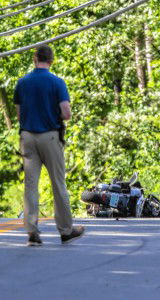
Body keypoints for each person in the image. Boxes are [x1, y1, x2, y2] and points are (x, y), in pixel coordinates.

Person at [14, 45, 84, 246]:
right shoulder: (57, 83)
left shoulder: (22, 83)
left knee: (30, 185)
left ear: (34, 59)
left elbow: (19, 115)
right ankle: (65, 230)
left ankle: (32, 231)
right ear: (51, 61)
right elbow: (66, 113)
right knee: (58, 183)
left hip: (27, 136)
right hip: (50, 136)